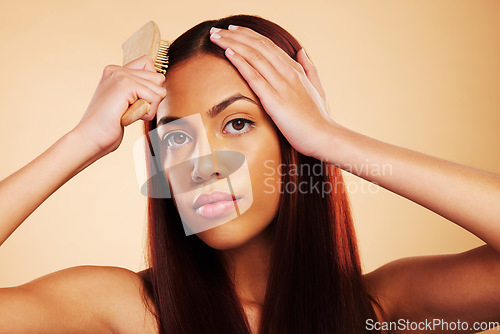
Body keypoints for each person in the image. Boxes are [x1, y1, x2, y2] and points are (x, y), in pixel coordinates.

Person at [0, 14, 499, 334]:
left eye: (237, 123)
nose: (202, 164)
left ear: (291, 142)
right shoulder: (126, 313)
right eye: (175, 137)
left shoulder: (384, 315)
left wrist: (331, 140)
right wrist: (81, 142)